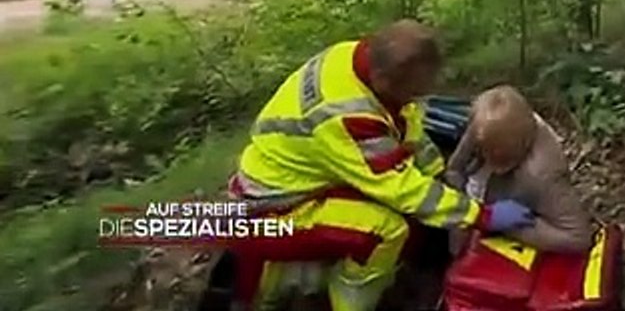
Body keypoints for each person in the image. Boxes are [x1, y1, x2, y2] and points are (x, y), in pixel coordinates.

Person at [225, 19, 536, 311]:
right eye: (412, 91)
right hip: (274, 207)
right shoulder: (350, 117)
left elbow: (408, 128)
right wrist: (482, 215)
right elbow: (401, 189)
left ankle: (300, 271)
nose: (416, 98)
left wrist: (437, 175)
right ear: (384, 79)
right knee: (386, 230)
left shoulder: (355, 56)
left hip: (295, 174)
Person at [444, 84, 595, 254]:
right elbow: (454, 169)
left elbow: (578, 237)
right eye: (483, 150)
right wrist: (469, 209)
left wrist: (512, 227)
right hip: (475, 207)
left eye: (502, 157)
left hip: (510, 211)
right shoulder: (484, 126)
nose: (490, 159)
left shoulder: (542, 173)